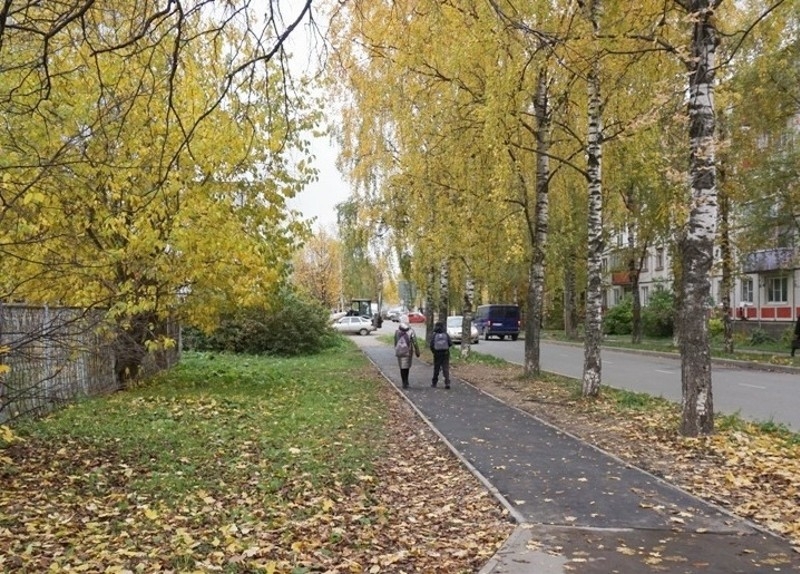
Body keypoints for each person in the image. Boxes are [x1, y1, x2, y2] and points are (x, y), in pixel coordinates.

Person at [394, 318, 420, 388]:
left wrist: (396, 349)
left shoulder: (397, 331)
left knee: (402, 367)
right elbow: (415, 342)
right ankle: (406, 381)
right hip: (408, 351)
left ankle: (403, 382)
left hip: (400, 351)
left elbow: (395, 341)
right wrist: (417, 351)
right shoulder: (411, 331)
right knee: (407, 366)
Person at [429, 321, 452, 389]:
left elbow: (431, 345)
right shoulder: (446, 334)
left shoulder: (434, 335)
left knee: (436, 368)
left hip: (437, 354)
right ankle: (447, 382)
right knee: (445, 368)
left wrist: (434, 352)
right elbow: (450, 343)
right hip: (445, 353)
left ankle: (434, 383)